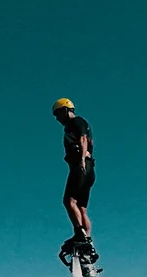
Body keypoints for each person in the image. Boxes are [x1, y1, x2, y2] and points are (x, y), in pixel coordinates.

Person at [53, 98, 98, 261]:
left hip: (82, 166)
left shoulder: (76, 122)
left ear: (65, 110)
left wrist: (80, 160)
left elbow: (83, 138)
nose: (57, 119)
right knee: (81, 208)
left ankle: (80, 235)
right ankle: (87, 241)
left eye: (57, 114)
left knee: (68, 201)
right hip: (89, 168)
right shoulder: (75, 124)